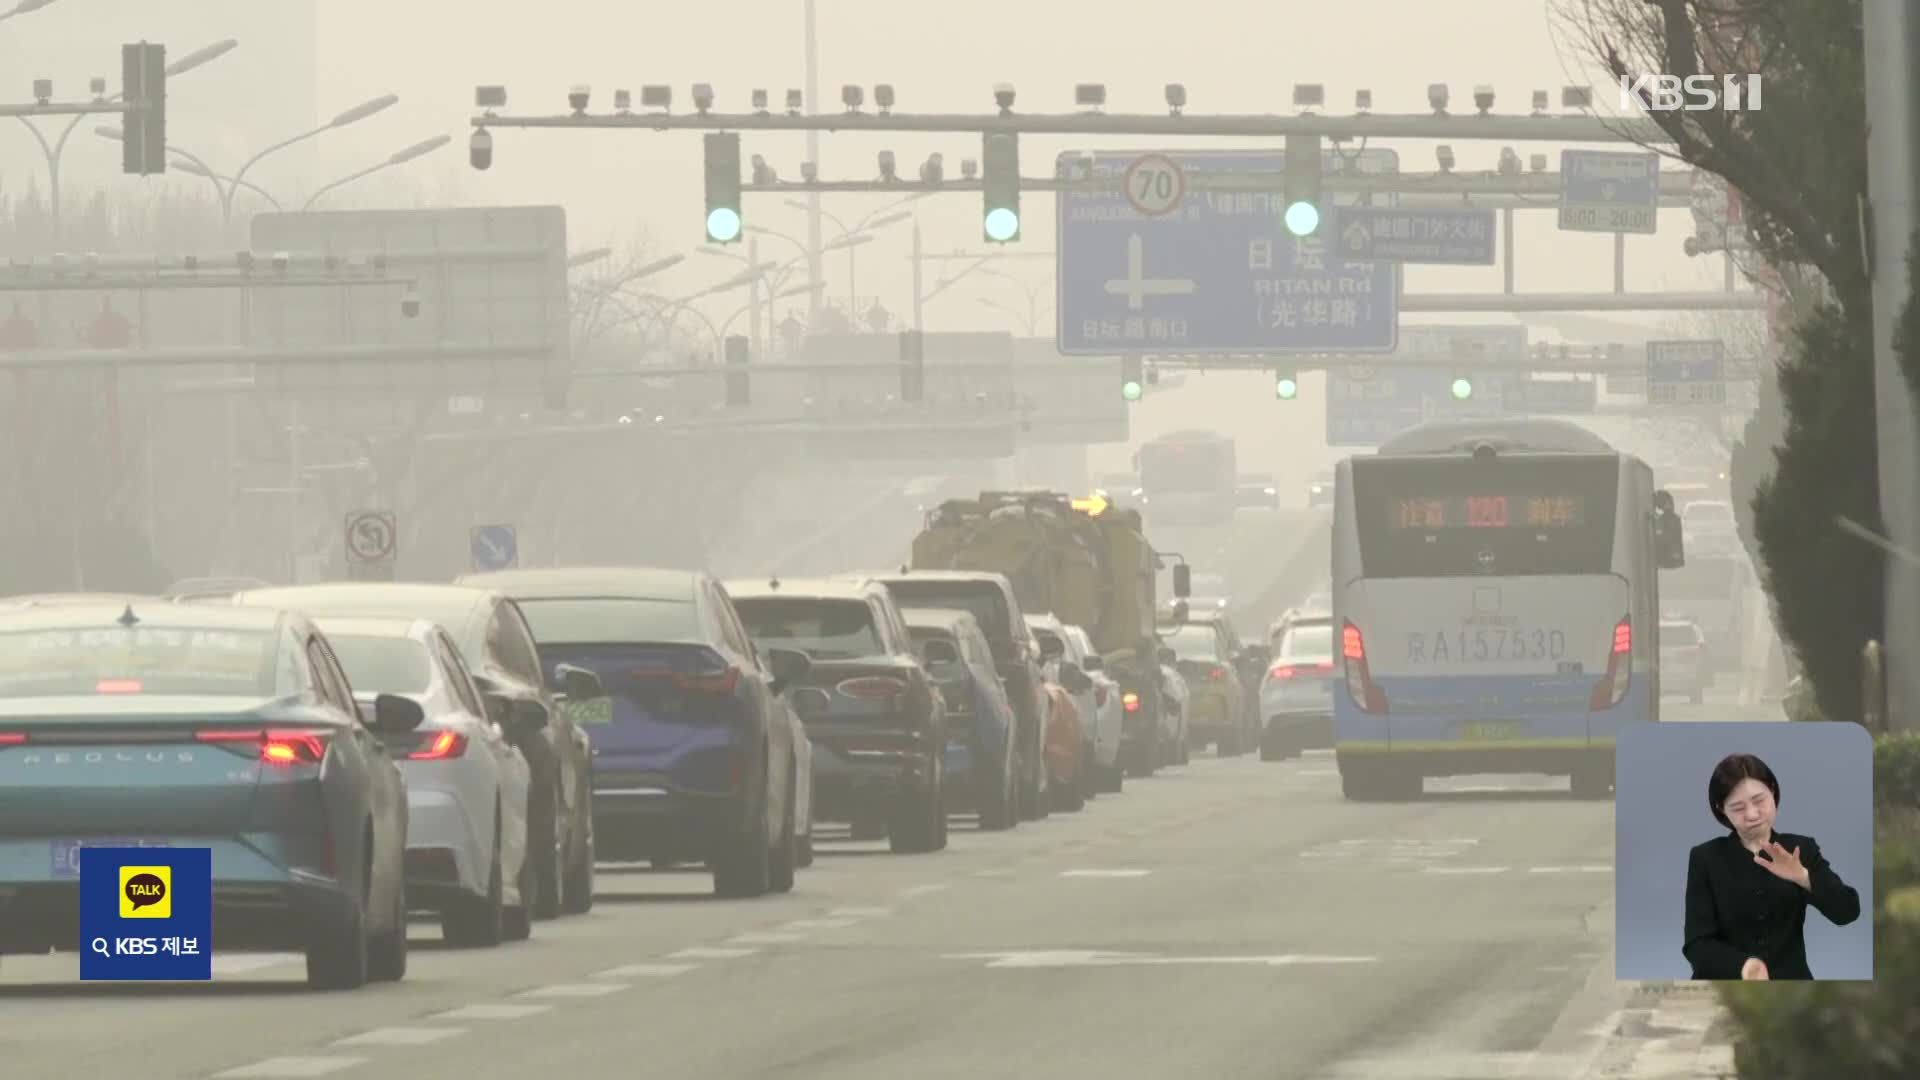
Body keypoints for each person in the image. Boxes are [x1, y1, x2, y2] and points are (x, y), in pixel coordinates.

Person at [1682, 752, 1861, 980]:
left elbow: (1847, 911)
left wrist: (1804, 877)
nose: (1752, 814)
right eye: (1738, 808)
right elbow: (1697, 944)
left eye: (1759, 801)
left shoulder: (1800, 848)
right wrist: (1743, 966)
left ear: (1773, 791)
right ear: (1721, 809)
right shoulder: (1705, 857)